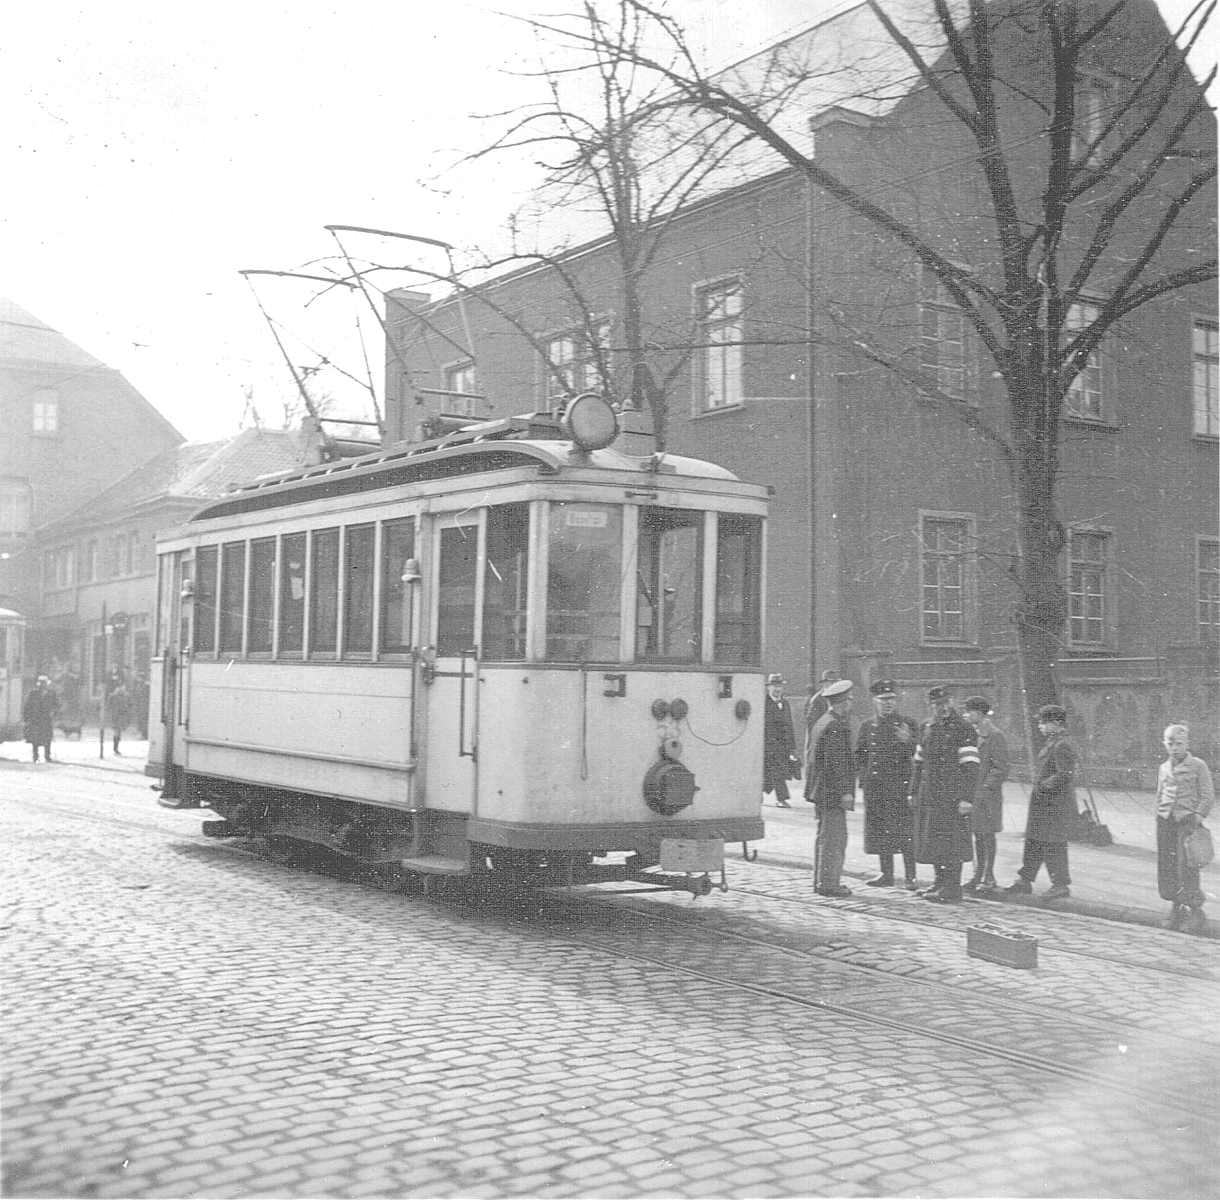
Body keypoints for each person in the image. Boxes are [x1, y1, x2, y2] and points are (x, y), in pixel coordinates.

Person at [909, 685, 979, 903]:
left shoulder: (963, 728)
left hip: (952, 795)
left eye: (947, 702)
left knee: (952, 842)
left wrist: (967, 798)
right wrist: (912, 791)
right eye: (938, 704)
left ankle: (952, 887)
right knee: (933, 841)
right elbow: (918, 763)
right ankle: (939, 882)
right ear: (930, 706)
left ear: (952, 702)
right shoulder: (926, 727)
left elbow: (971, 767)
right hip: (930, 794)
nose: (943, 707)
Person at [1005, 704, 1077, 901]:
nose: (1040, 726)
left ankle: (1060, 884)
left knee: (1053, 843)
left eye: (1043, 722)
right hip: (1043, 802)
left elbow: (1065, 774)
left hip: (1053, 803)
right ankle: (1024, 880)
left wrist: (1044, 785)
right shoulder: (1053, 742)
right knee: (1034, 841)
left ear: (1056, 723)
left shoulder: (1062, 745)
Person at [855, 679, 919, 889]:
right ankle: (886, 874)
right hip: (876, 789)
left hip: (901, 788)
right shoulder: (867, 726)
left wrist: (908, 741)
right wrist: (864, 781)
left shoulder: (908, 724)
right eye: (883, 700)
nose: (888, 703)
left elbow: (920, 755)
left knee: (905, 834)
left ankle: (911, 877)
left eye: (891, 699)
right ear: (875, 701)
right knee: (881, 833)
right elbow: (860, 756)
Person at [1155, 724, 1214, 933]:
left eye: (1179, 743)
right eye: (1170, 743)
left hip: (1187, 822)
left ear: (1187, 744)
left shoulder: (1198, 766)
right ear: (1164, 744)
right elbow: (1160, 794)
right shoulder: (1164, 767)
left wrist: (1198, 817)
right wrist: (1158, 816)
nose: (1174, 747)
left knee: (1187, 867)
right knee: (1168, 867)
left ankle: (1196, 911)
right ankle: (1176, 907)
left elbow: (1207, 795)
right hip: (1166, 822)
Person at [804, 679, 856, 897]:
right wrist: (845, 791)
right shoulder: (836, 726)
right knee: (834, 839)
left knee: (824, 837)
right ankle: (829, 884)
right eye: (849, 700)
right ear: (842, 703)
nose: (851, 703)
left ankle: (821, 881)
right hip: (832, 791)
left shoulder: (822, 721)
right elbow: (837, 763)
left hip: (821, 790)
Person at [961, 696, 1009, 893]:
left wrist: (984, 789)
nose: (966, 715)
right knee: (977, 836)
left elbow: (1001, 768)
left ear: (979, 714)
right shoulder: (971, 733)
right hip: (974, 795)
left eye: (969, 711)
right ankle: (978, 875)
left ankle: (988, 876)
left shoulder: (994, 735)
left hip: (987, 797)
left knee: (987, 836)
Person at [762, 673, 799, 808]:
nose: (777, 689)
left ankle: (777, 797)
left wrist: (792, 747)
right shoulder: (763, 703)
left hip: (782, 747)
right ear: (768, 688)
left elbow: (789, 726)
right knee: (771, 772)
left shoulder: (785, 703)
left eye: (779, 687)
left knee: (777, 773)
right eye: (774, 687)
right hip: (768, 746)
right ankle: (777, 798)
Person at [22, 675, 60, 764]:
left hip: (47, 719)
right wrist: (26, 718)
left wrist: (54, 713)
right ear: (38, 684)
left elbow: (57, 705)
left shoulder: (51, 693)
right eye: (41, 683)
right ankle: (35, 756)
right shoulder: (33, 693)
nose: (43, 685)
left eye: (44, 683)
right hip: (36, 719)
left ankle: (47, 756)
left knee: (47, 738)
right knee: (35, 738)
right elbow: (27, 706)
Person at [105, 668, 132, 755]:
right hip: (116, 715)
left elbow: (129, 704)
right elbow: (109, 704)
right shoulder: (114, 695)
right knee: (117, 731)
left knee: (118, 732)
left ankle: (116, 747)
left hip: (121, 715)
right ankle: (115, 748)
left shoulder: (124, 695)